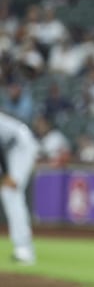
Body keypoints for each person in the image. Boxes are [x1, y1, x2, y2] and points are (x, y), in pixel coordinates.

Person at [0, 111, 39, 264]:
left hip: (20, 145)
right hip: (9, 149)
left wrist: (7, 174)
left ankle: (24, 249)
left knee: (10, 193)